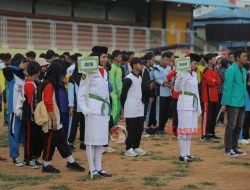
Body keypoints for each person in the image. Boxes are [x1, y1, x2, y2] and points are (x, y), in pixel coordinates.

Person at [41, 61, 84, 173]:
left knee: (62, 142)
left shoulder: (50, 83)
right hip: (52, 119)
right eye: (60, 74)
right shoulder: (49, 84)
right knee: (50, 142)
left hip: (56, 118)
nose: (62, 77)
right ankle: (46, 165)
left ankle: (71, 162)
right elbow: (47, 102)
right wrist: (54, 120)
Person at [78, 46, 112, 178]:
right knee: (91, 140)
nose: (105, 59)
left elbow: (106, 94)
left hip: (103, 109)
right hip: (92, 109)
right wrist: (84, 108)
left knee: (100, 140)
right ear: (97, 57)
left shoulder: (105, 72)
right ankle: (91, 169)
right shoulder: (89, 71)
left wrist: (108, 111)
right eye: (103, 57)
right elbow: (81, 92)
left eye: (106, 57)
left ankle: (99, 168)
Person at [174, 54, 201, 162]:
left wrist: (199, 107)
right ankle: (182, 154)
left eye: (196, 64)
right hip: (184, 103)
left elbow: (196, 92)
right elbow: (176, 89)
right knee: (182, 130)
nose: (195, 66)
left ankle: (188, 153)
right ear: (188, 63)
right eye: (194, 63)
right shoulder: (181, 73)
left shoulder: (194, 74)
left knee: (189, 130)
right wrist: (179, 78)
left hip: (193, 103)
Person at [3, 54, 29, 166]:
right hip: (14, 110)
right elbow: (5, 69)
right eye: (24, 63)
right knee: (14, 133)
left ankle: (28, 156)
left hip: (24, 110)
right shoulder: (11, 74)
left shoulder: (25, 77)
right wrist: (19, 67)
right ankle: (15, 156)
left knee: (25, 134)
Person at [222, 49, 248, 157]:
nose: (246, 58)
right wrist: (225, 103)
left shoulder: (244, 70)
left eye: (246, 56)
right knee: (231, 126)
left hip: (242, 102)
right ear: (237, 58)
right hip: (232, 102)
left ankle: (235, 148)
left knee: (239, 126)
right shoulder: (231, 70)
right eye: (244, 56)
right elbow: (227, 87)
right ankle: (228, 149)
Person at [121, 57, 146, 157]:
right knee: (131, 129)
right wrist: (123, 107)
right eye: (140, 63)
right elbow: (123, 94)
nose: (142, 65)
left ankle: (136, 147)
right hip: (130, 107)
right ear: (134, 65)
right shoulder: (128, 78)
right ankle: (128, 148)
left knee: (139, 128)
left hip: (139, 106)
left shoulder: (139, 77)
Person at [22, 61, 43, 168]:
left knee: (32, 137)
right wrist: (35, 115)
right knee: (29, 138)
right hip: (29, 115)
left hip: (29, 115)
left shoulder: (29, 82)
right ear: (37, 72)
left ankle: (32, 157)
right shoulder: (30, 84)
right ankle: (28, 159)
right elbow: (31, 102)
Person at [201, 53, 221, 140]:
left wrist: (214, 80)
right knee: (207, 116)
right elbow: (211, 83)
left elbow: (219, 82)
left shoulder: (214, 69)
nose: (215, 60)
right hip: (208, 97)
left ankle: (211, 133)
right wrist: (214, 80)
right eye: (213, 58)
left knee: (213, 116)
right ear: (209, 60)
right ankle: (205, 134)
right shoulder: (206, 70)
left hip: (214, 96)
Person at [68, 53, 85, 151]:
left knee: (84, 124)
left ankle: (83, 142)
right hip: (76, 106)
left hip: (85, 106)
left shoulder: (86, 77)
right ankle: (70, 142)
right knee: (74, 125)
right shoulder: (72, 78)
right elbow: (70, 93)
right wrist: (71, 106)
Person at [153, 52, 173, 134]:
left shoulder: (169, 68)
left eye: (169, 60)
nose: (167, 62)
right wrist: (164, 83)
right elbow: (157, 79)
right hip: (160, 94)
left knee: (166, 112)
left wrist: (171, 83)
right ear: (162, 58)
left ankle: (162, 127)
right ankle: (158, 128)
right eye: (166, 60)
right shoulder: (156, 68)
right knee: (159, 112)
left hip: (169, 94)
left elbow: (172, 77)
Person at [109, 50, 123, 126]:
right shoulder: (112, 67)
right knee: (114, 111)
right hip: (114, 94)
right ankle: (110, 129)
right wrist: (117, 92)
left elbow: (119, 81)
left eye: (121, 56)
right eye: (119, 56)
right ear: (115, 57)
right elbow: (111, 81)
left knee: (117, 111)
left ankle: (113, 128)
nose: (121, 58)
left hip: (119, 93)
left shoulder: (119, 67)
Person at [0, 53, 12, 127]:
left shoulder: (12, 67)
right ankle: (6, 120)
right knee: (5, 104)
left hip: (11, 87)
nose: (7, 62)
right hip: (5, 89)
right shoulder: (1, 69)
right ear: (3, 60)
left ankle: (9, 120)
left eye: (8, 60)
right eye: (5, 61)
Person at [216, 58, 228, 127]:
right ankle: (219, 121)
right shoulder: (225, 71)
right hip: (222, 91)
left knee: (219, 106)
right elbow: (226, 80)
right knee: (221, 106)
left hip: (217, 90)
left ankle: (220, 121)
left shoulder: (217, 69)